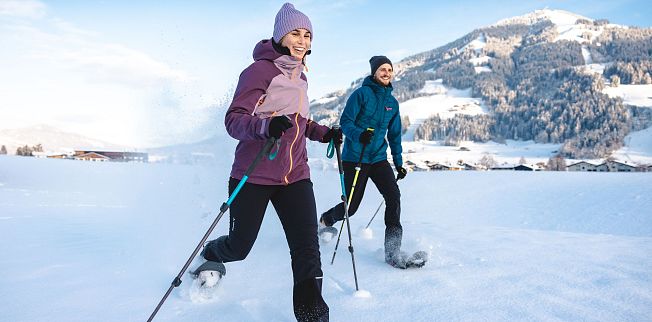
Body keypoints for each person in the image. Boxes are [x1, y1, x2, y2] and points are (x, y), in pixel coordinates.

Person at [196, 3, 340, 321]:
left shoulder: (301, 76)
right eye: (295, 33)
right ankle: (211, 254)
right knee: (239, 247)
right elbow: (234, 121)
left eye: (307, 35)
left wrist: (324, 133)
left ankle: (313, 316)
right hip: (254, 174)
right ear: (280, 35)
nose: (302, 41)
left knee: (307, 250)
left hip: (296, 176)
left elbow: (298, 123)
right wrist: (264, 126)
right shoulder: (259, 71)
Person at [319, 55, 409, 268]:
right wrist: (359, 134)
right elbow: (346, 122)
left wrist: (398, 163)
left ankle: (393, 251)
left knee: (393, 196)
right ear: (374, 72)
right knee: (350, 208)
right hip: (355, 157)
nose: (386, 73)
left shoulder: (392, 103)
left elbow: (395, 135)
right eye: (382, 70)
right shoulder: (361, 94)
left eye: (389, 70)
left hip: (378, 157)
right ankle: (326, 220)